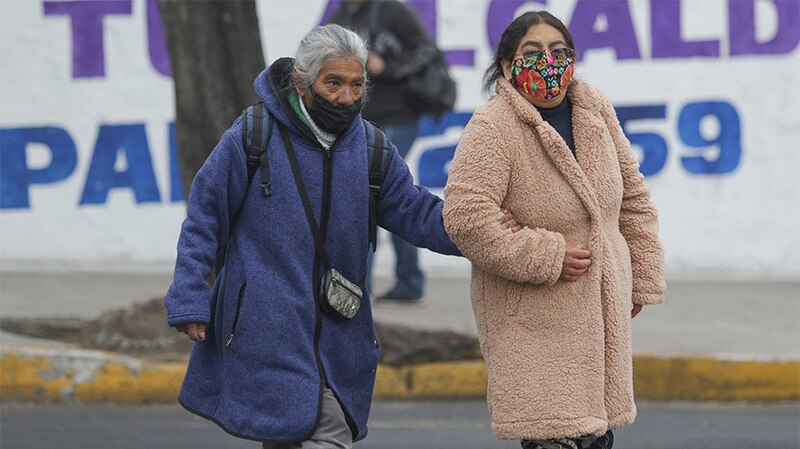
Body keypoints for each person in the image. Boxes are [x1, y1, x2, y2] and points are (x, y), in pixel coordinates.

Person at [164, 24, 517, 449]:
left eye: (356, 84)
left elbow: (417, 213)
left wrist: (488, 230)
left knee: (317, 427)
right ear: (302, 80)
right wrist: (189, 295)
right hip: (265, 329)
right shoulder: (252, 135)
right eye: (333, 83)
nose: (347, 97)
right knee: (309, 430)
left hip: (340, 334)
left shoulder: (372, 148)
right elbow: (206, 218)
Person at [442, 11, 665, 449]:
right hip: (533, 319)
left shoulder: (595, 110)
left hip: (600, 313)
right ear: (507, 66)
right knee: (555, 433)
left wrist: (638, 279)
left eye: (559, 51)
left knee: (595, 434)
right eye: (532, 52)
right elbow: (466, 216)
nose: (548, 61)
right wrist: (546, 254)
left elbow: (633, 200)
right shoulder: (493, 127)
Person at [327, 0, 438, 301]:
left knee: (369, 193)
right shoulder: (337, 21)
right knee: (389, 196)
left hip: (400, 118)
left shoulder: (393, 11)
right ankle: (408, 282)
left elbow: (427, 50)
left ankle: (359, 286)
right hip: (360, 120)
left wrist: (386, 66)